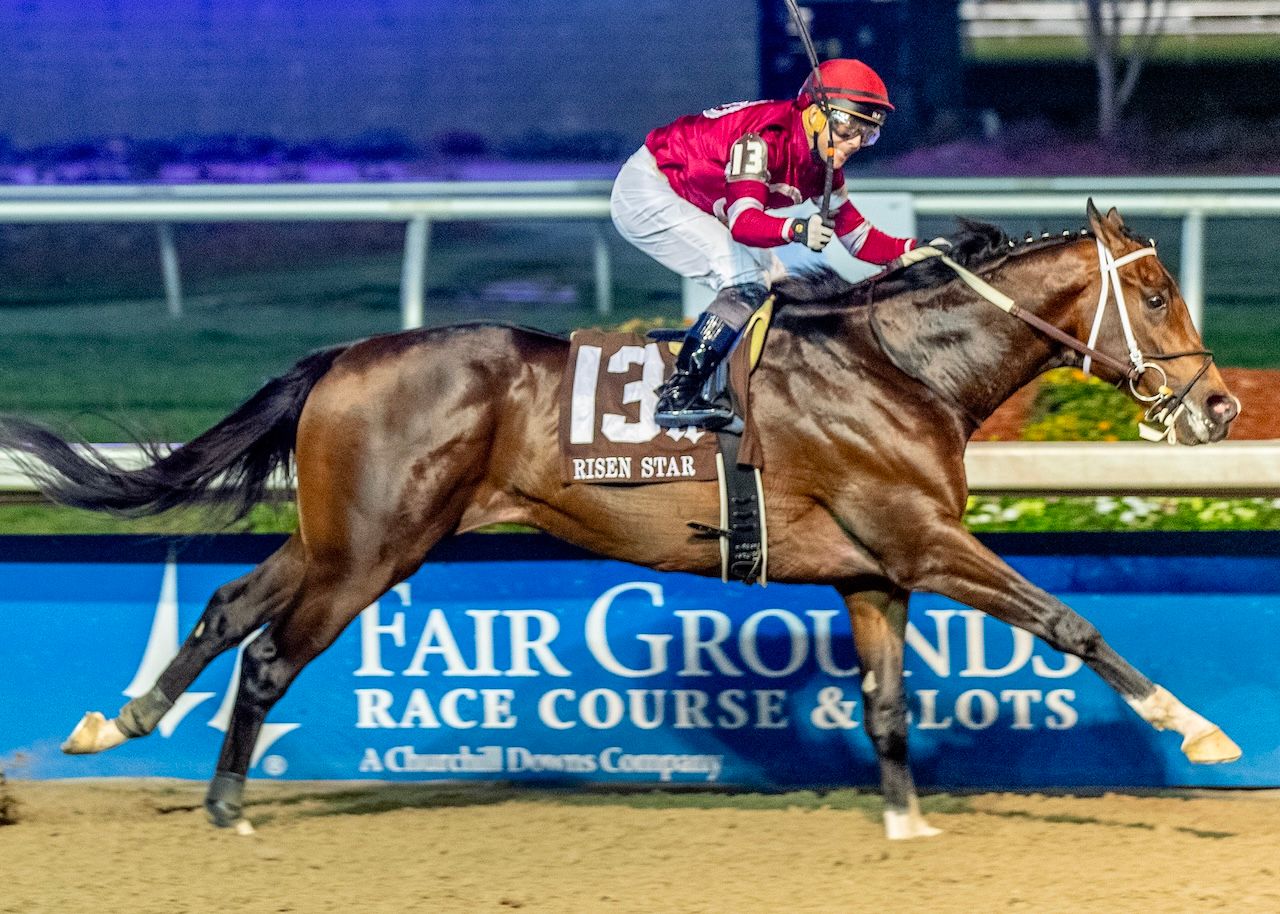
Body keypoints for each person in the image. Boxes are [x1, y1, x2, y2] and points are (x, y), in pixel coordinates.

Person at [611, 58, 931, 429]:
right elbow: (744, 224)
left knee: (777, 286)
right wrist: (796, 230)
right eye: (847, 128)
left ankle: (740, 377)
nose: (856, 143)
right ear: (813, 115)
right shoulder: (761, 141)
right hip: (650, 189)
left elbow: (859, 239)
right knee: (745, 280)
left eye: (868, 133)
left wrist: (918, 250)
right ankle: (678, 394)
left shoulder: (822, 162)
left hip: (694, 198)